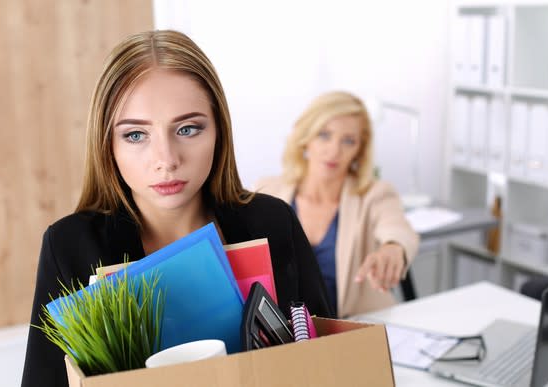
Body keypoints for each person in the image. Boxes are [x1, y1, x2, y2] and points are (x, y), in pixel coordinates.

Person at [21, 30, 333, 387]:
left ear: (218, 130)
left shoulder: (272, 221)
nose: (166, 161)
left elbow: (331, 356)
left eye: (187, 129)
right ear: (107, 144)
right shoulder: (69, 245)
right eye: (136, 135)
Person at [255, 91, 419, 318]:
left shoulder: (374, 194)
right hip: (287, 337)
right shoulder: (267, 191)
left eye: (348, 141)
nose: (334, 151)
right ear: (306, 138)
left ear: (359, 151)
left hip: (354, 331)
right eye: (324, 135)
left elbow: (399, 230)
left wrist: (393, 248)